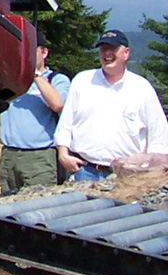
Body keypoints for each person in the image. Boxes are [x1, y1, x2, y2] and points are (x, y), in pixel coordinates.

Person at [54, 29, 168, 182]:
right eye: (103, 49)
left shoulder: (142, 88)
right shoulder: (82, 81)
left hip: (129, 175)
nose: (107, 54)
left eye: (113, 49)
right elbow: (65, 123)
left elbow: (158, 132)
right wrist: (63, 154)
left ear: (126, 53)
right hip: (85, 171)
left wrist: (153, 170)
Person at [0, 31, 70, 193]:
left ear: (44, 52)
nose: (24, 54)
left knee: (39, 206)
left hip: (40, 157)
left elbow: (58, 104)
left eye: (30, 50)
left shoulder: (57, 79)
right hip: (9, 155)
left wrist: (35, 75)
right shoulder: (10, 76)